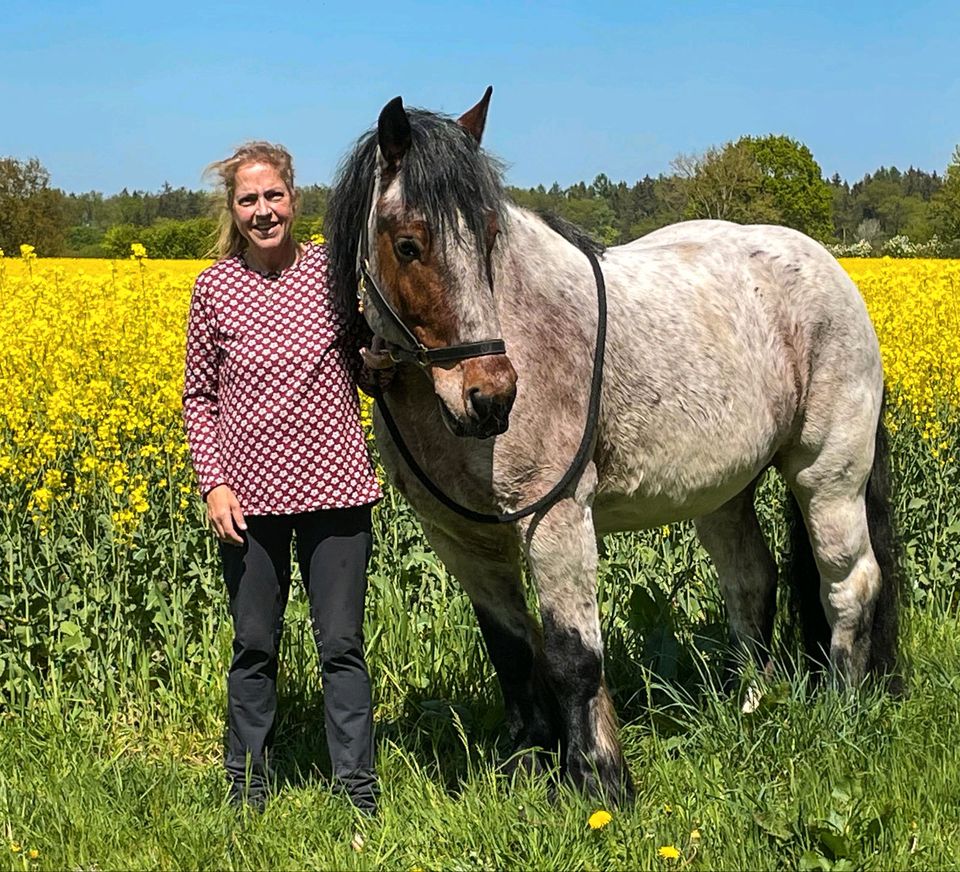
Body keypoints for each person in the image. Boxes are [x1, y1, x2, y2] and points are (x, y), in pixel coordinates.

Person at [182, 141, 382, 814]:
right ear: (233, 210)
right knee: (254, 646)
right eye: (248, 199)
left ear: (293, 199)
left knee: (342, 647)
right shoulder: (213, 289)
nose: (263, 211)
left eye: (273, 196)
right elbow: (198, 397)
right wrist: (214, 483)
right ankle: (246, 789)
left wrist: (385, 365)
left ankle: (358, 792)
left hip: (337, 490)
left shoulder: (331, 271)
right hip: (249, 501)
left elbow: (363, 364)